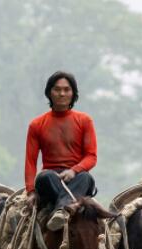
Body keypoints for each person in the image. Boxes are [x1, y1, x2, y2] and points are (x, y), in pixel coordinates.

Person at [24, 71, 98, 231]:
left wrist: (74, 171)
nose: (62, 93)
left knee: (87, 178)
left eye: (66, 89)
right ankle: (67, 207)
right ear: (49, 92)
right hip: (51, 178)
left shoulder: (85, 121)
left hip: (77, 178)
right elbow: (30, 161)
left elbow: (91, 156)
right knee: (44, 176)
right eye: (57, 89)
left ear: (73, 94)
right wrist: (30, 191)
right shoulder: (36, 124)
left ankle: (61, 210)